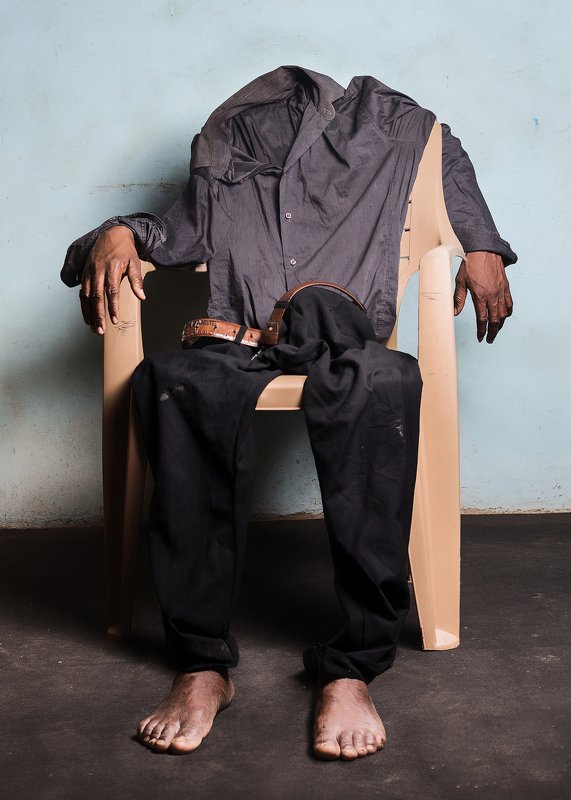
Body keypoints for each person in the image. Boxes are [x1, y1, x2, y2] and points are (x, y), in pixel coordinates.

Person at [61, 66, 516, 760]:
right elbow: (164, 233)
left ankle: (351, 668)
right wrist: (116, 231)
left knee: (384, 384)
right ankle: (201, 665)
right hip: (237, 343)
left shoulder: (390, 130)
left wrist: (482, 244)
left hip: (348, 340)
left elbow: (441, 149)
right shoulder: (225, 165)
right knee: (173, 382)